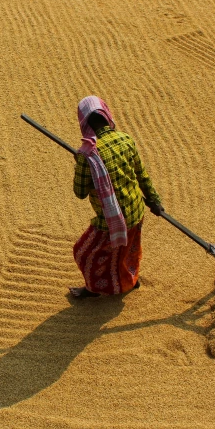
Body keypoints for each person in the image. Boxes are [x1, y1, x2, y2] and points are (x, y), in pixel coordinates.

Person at [70, 96, 164, 298]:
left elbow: (80, 192)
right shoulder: (125, 139)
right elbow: (142, 175)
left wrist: (80, 164)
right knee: (128, 249)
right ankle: (131, 280)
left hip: (110, 219)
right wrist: (155, 201)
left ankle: (93, 289)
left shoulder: (88, 154)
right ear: (106, 114)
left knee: (84, 253)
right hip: (136, 211)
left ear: (83, 123)